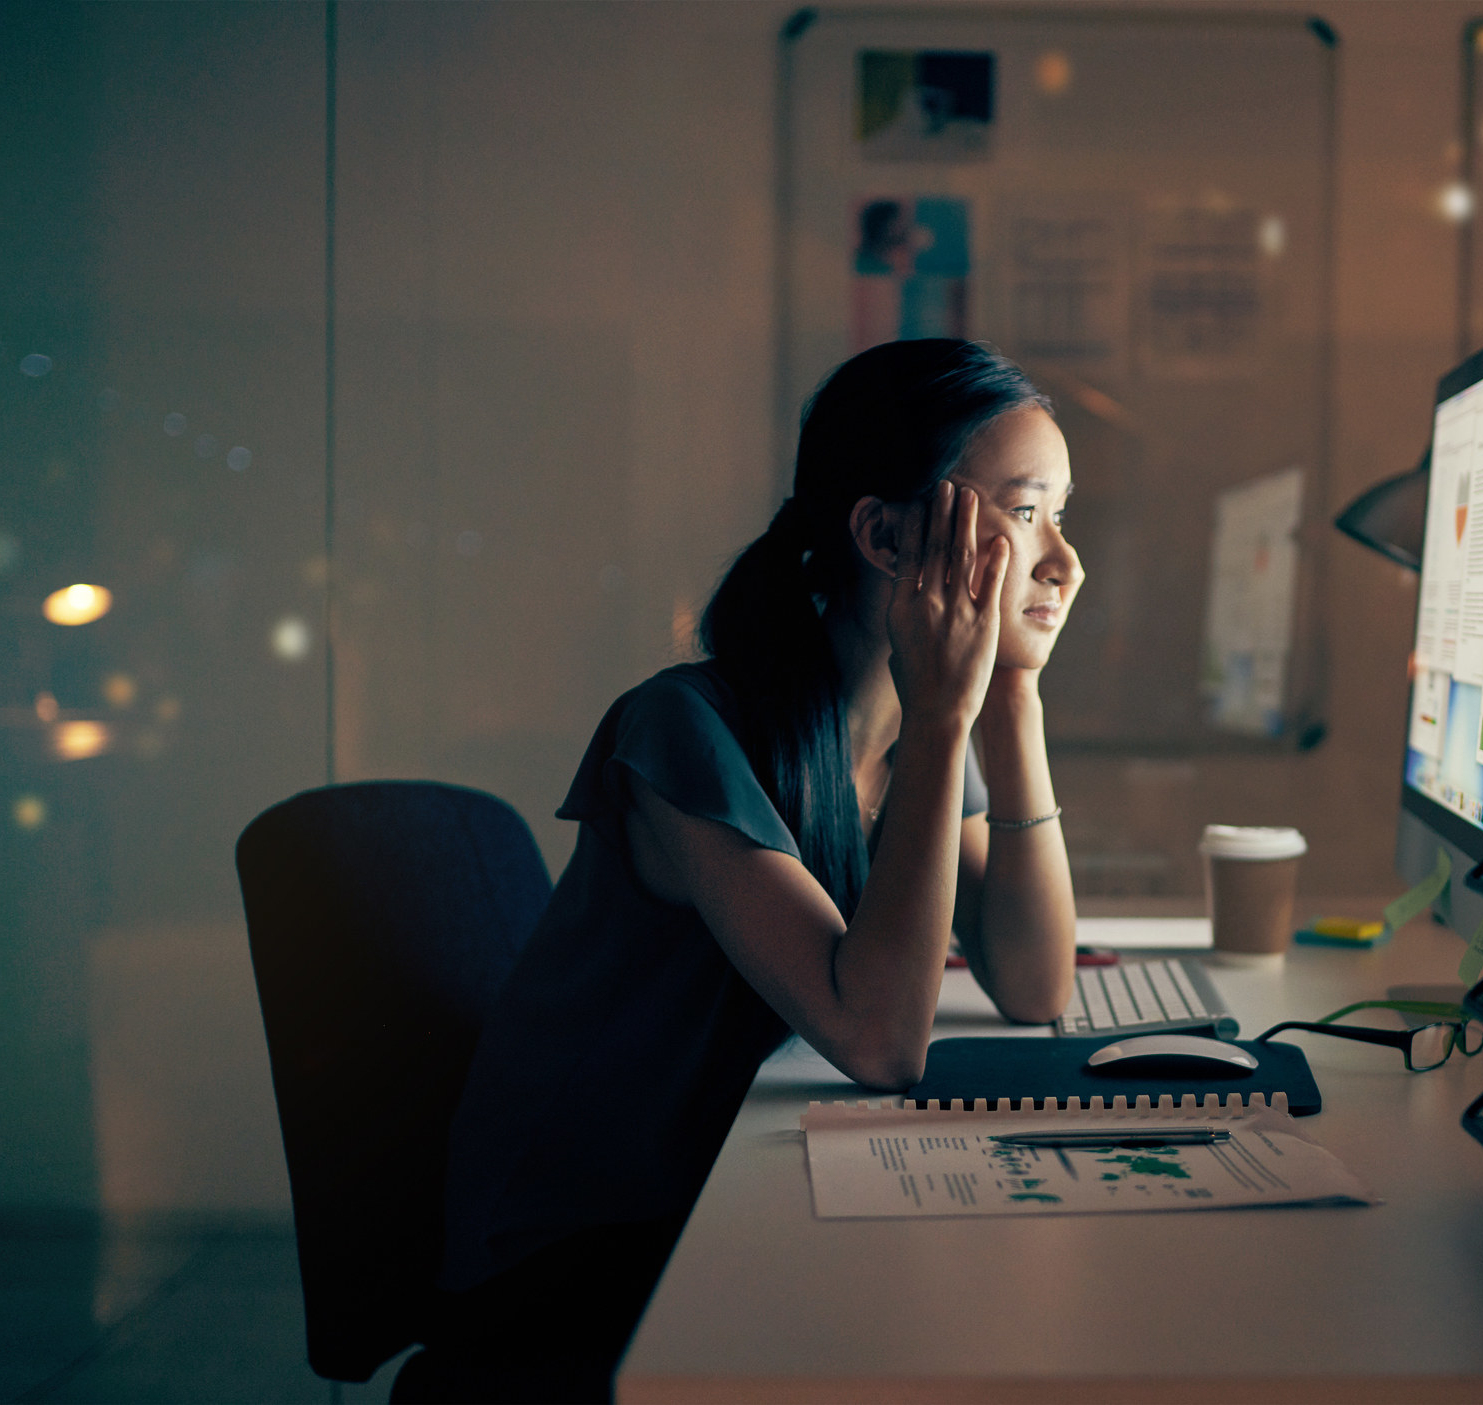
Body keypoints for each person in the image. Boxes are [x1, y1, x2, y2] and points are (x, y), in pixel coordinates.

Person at [394, 339, 1084, 1403]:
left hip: (729, 1192)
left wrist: (1013, 696)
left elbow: (1037, 984)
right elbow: (880, 1040)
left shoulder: (909, 735)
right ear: (885, 534)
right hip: (579, 1258)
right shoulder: (686, 729)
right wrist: (953, 713)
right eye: (1030, 511)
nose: (1062, 560)